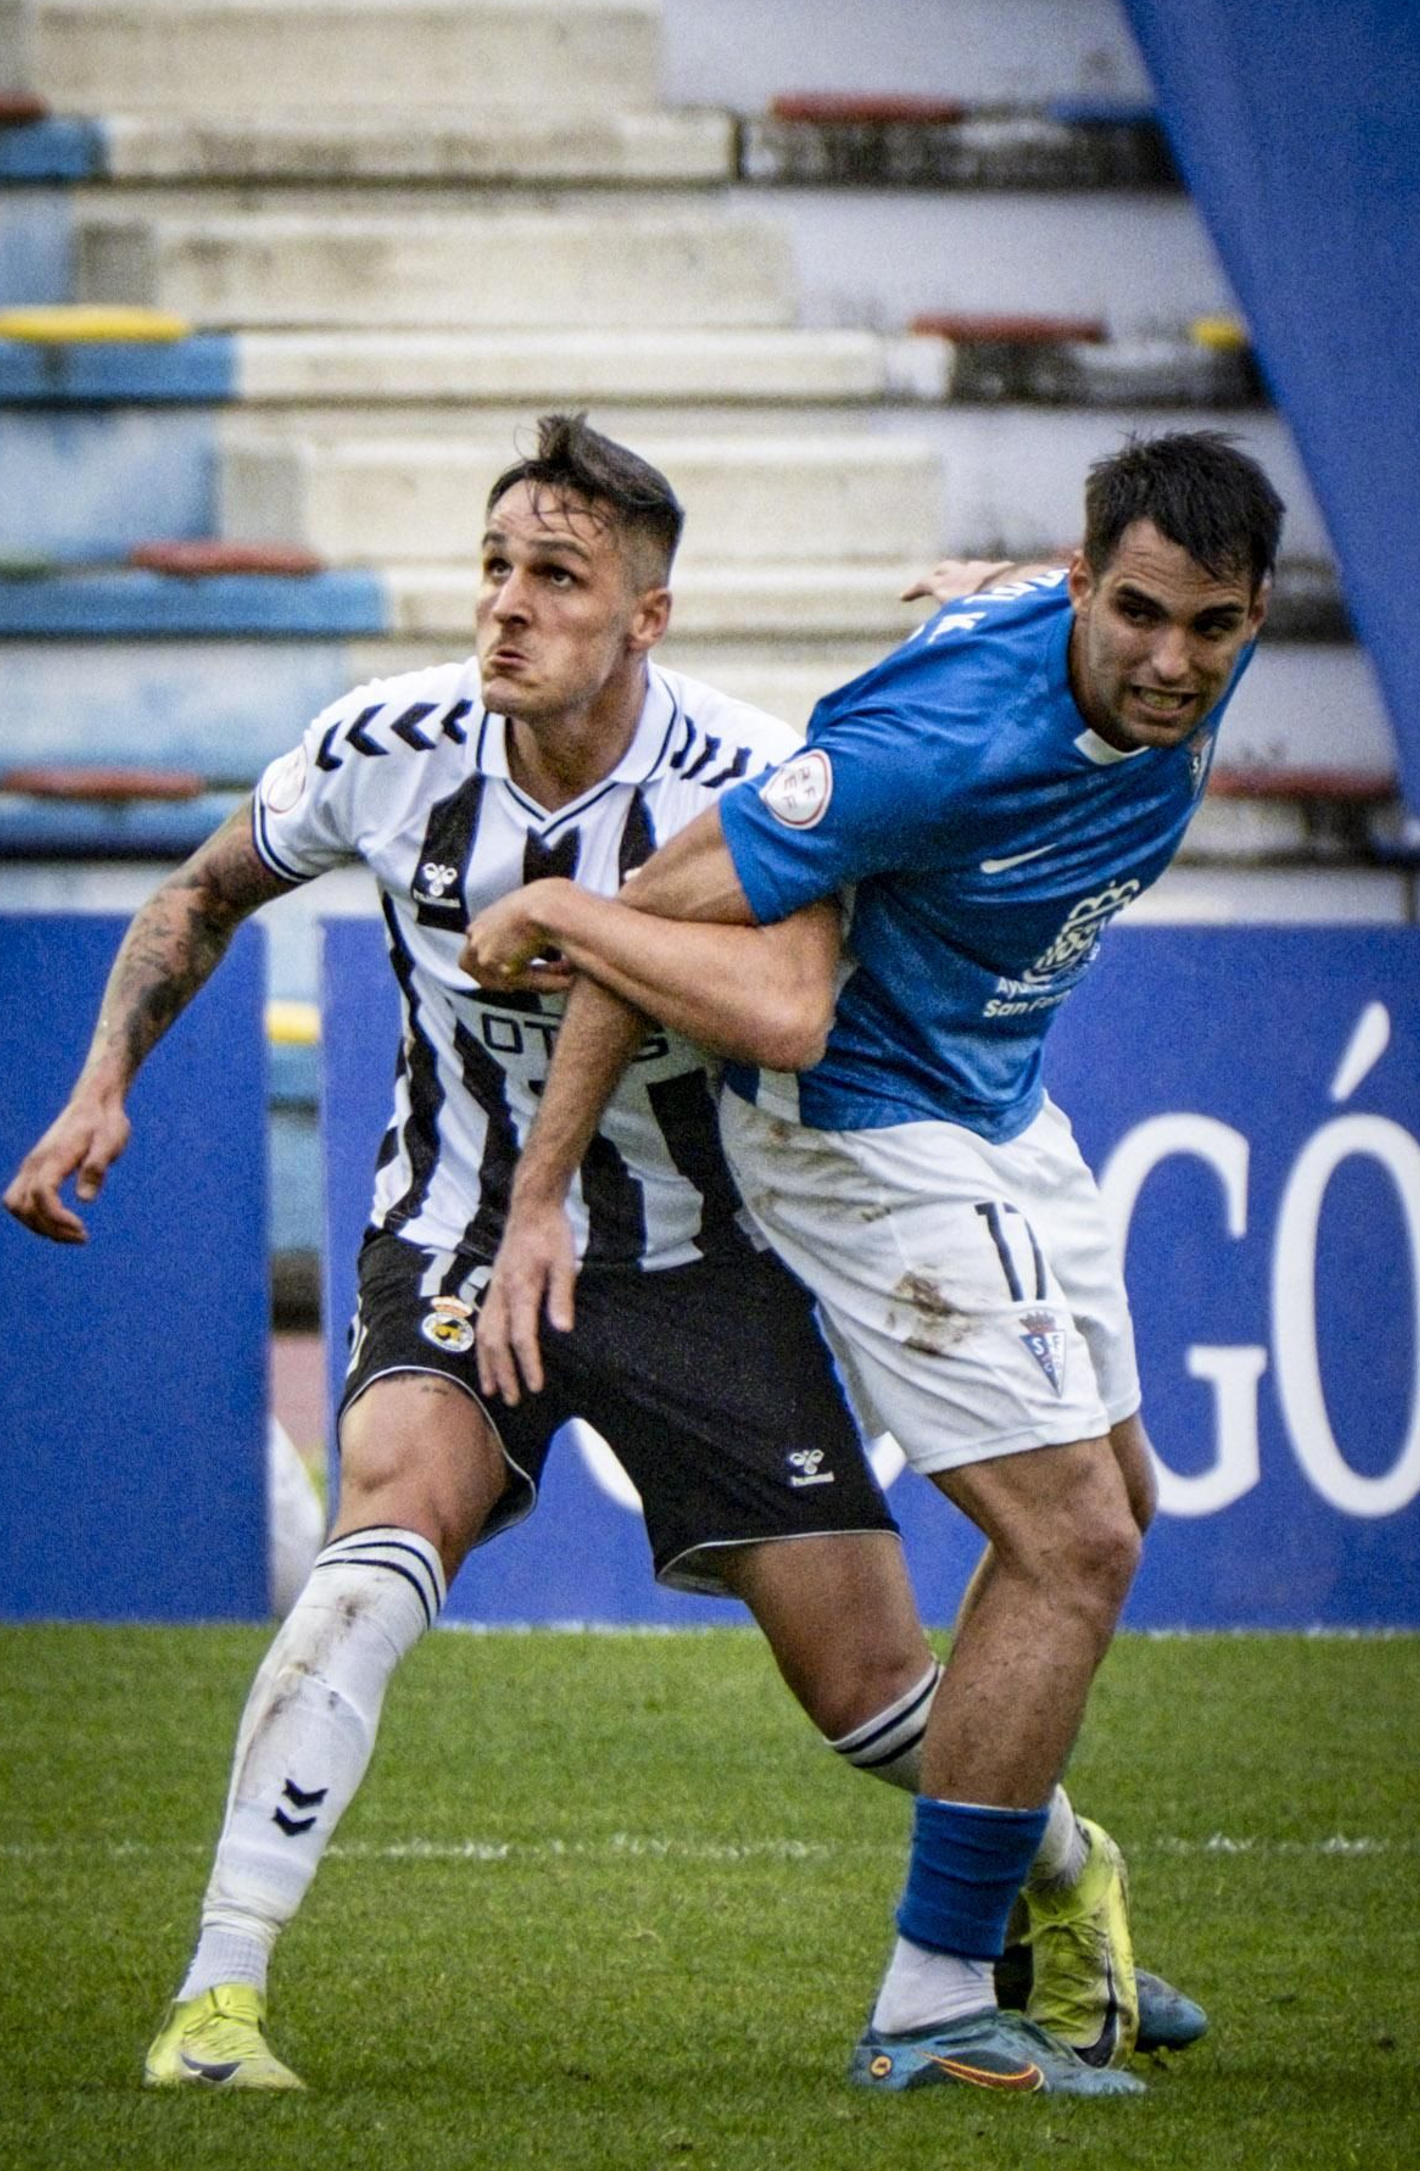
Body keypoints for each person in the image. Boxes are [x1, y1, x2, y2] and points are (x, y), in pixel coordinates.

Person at [2, 414, 1187, 2096]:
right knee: (383, 1534)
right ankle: (217, 2002)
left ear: (648, 617)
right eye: (495, 566)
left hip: (708, 1252)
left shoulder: (742, 776)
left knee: (865, 1692)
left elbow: (792, 1007)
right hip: (460, 1228)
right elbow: (201, 896)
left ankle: (1061, 1866)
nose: (507, 607)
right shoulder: (385, 743)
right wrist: (100, 1086)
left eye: (556, 577)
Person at [464, 427, 1283, 2103]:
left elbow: (1063, 633)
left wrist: (989, 600)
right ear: (1084, 584)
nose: (1172, 661)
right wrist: (540, 1169)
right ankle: (930, 2002)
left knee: (1118, 1503)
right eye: (1137, 615)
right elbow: (666, 914)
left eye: (1213, 627)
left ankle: (1013, 1923)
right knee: (1073, 1544)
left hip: (999, 1097)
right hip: (863, 1123)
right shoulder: (930, 751)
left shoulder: (1132, 654)